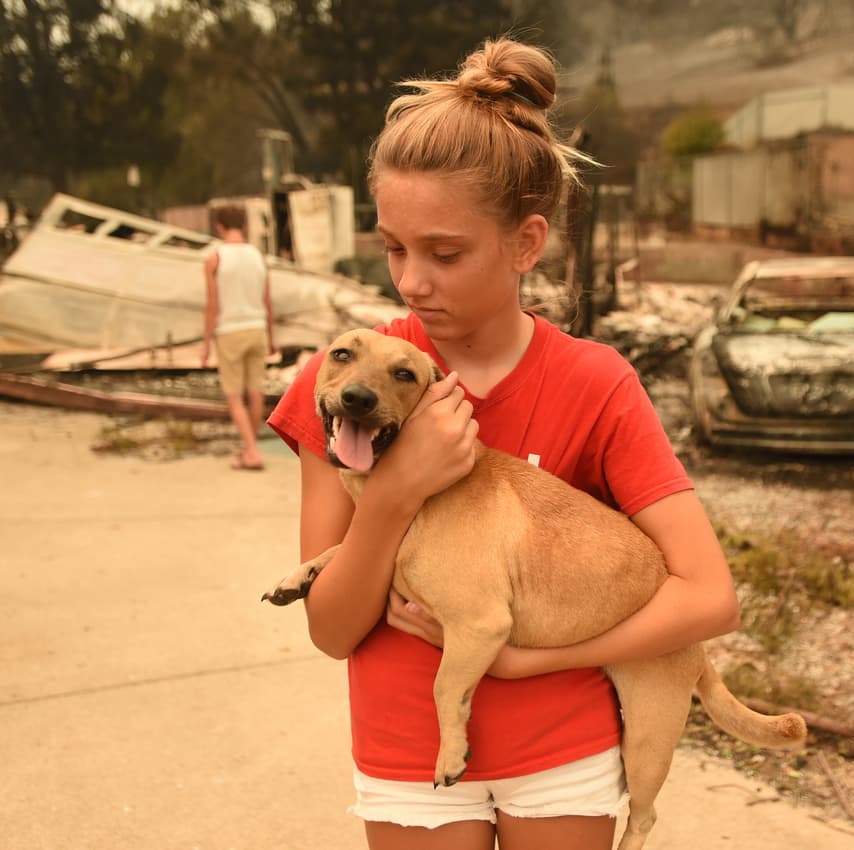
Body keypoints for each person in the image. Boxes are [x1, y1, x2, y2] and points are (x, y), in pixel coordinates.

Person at [267, 38, 740, 850]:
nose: (412, 281)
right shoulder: (346, 382)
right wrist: (394, 490)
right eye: (394, 248)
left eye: (445, 254)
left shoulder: (596, 383)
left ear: (526, 243)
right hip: (412, 754)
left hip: (565, 754)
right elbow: (331, 630)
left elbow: (708, 596)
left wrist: (530, 660)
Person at [202, 204, 276, 471]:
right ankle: (249, 449)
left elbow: (212, 305)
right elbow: (267, 301)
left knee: (234, 397)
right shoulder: (258, 256)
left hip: (229, 331)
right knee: (255, 393)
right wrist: (272, 336)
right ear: (244, 226)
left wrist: (206, 343)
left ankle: (253, 452)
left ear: (219, 226)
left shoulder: (215, 259)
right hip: (257, 329)